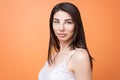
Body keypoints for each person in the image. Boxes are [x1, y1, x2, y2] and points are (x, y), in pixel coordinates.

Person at [38, 2, 93, 80]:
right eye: (56, 22)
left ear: (76, 25)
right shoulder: (54, 55)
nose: (61, 28)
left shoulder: (80, 56)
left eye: (68, 22)